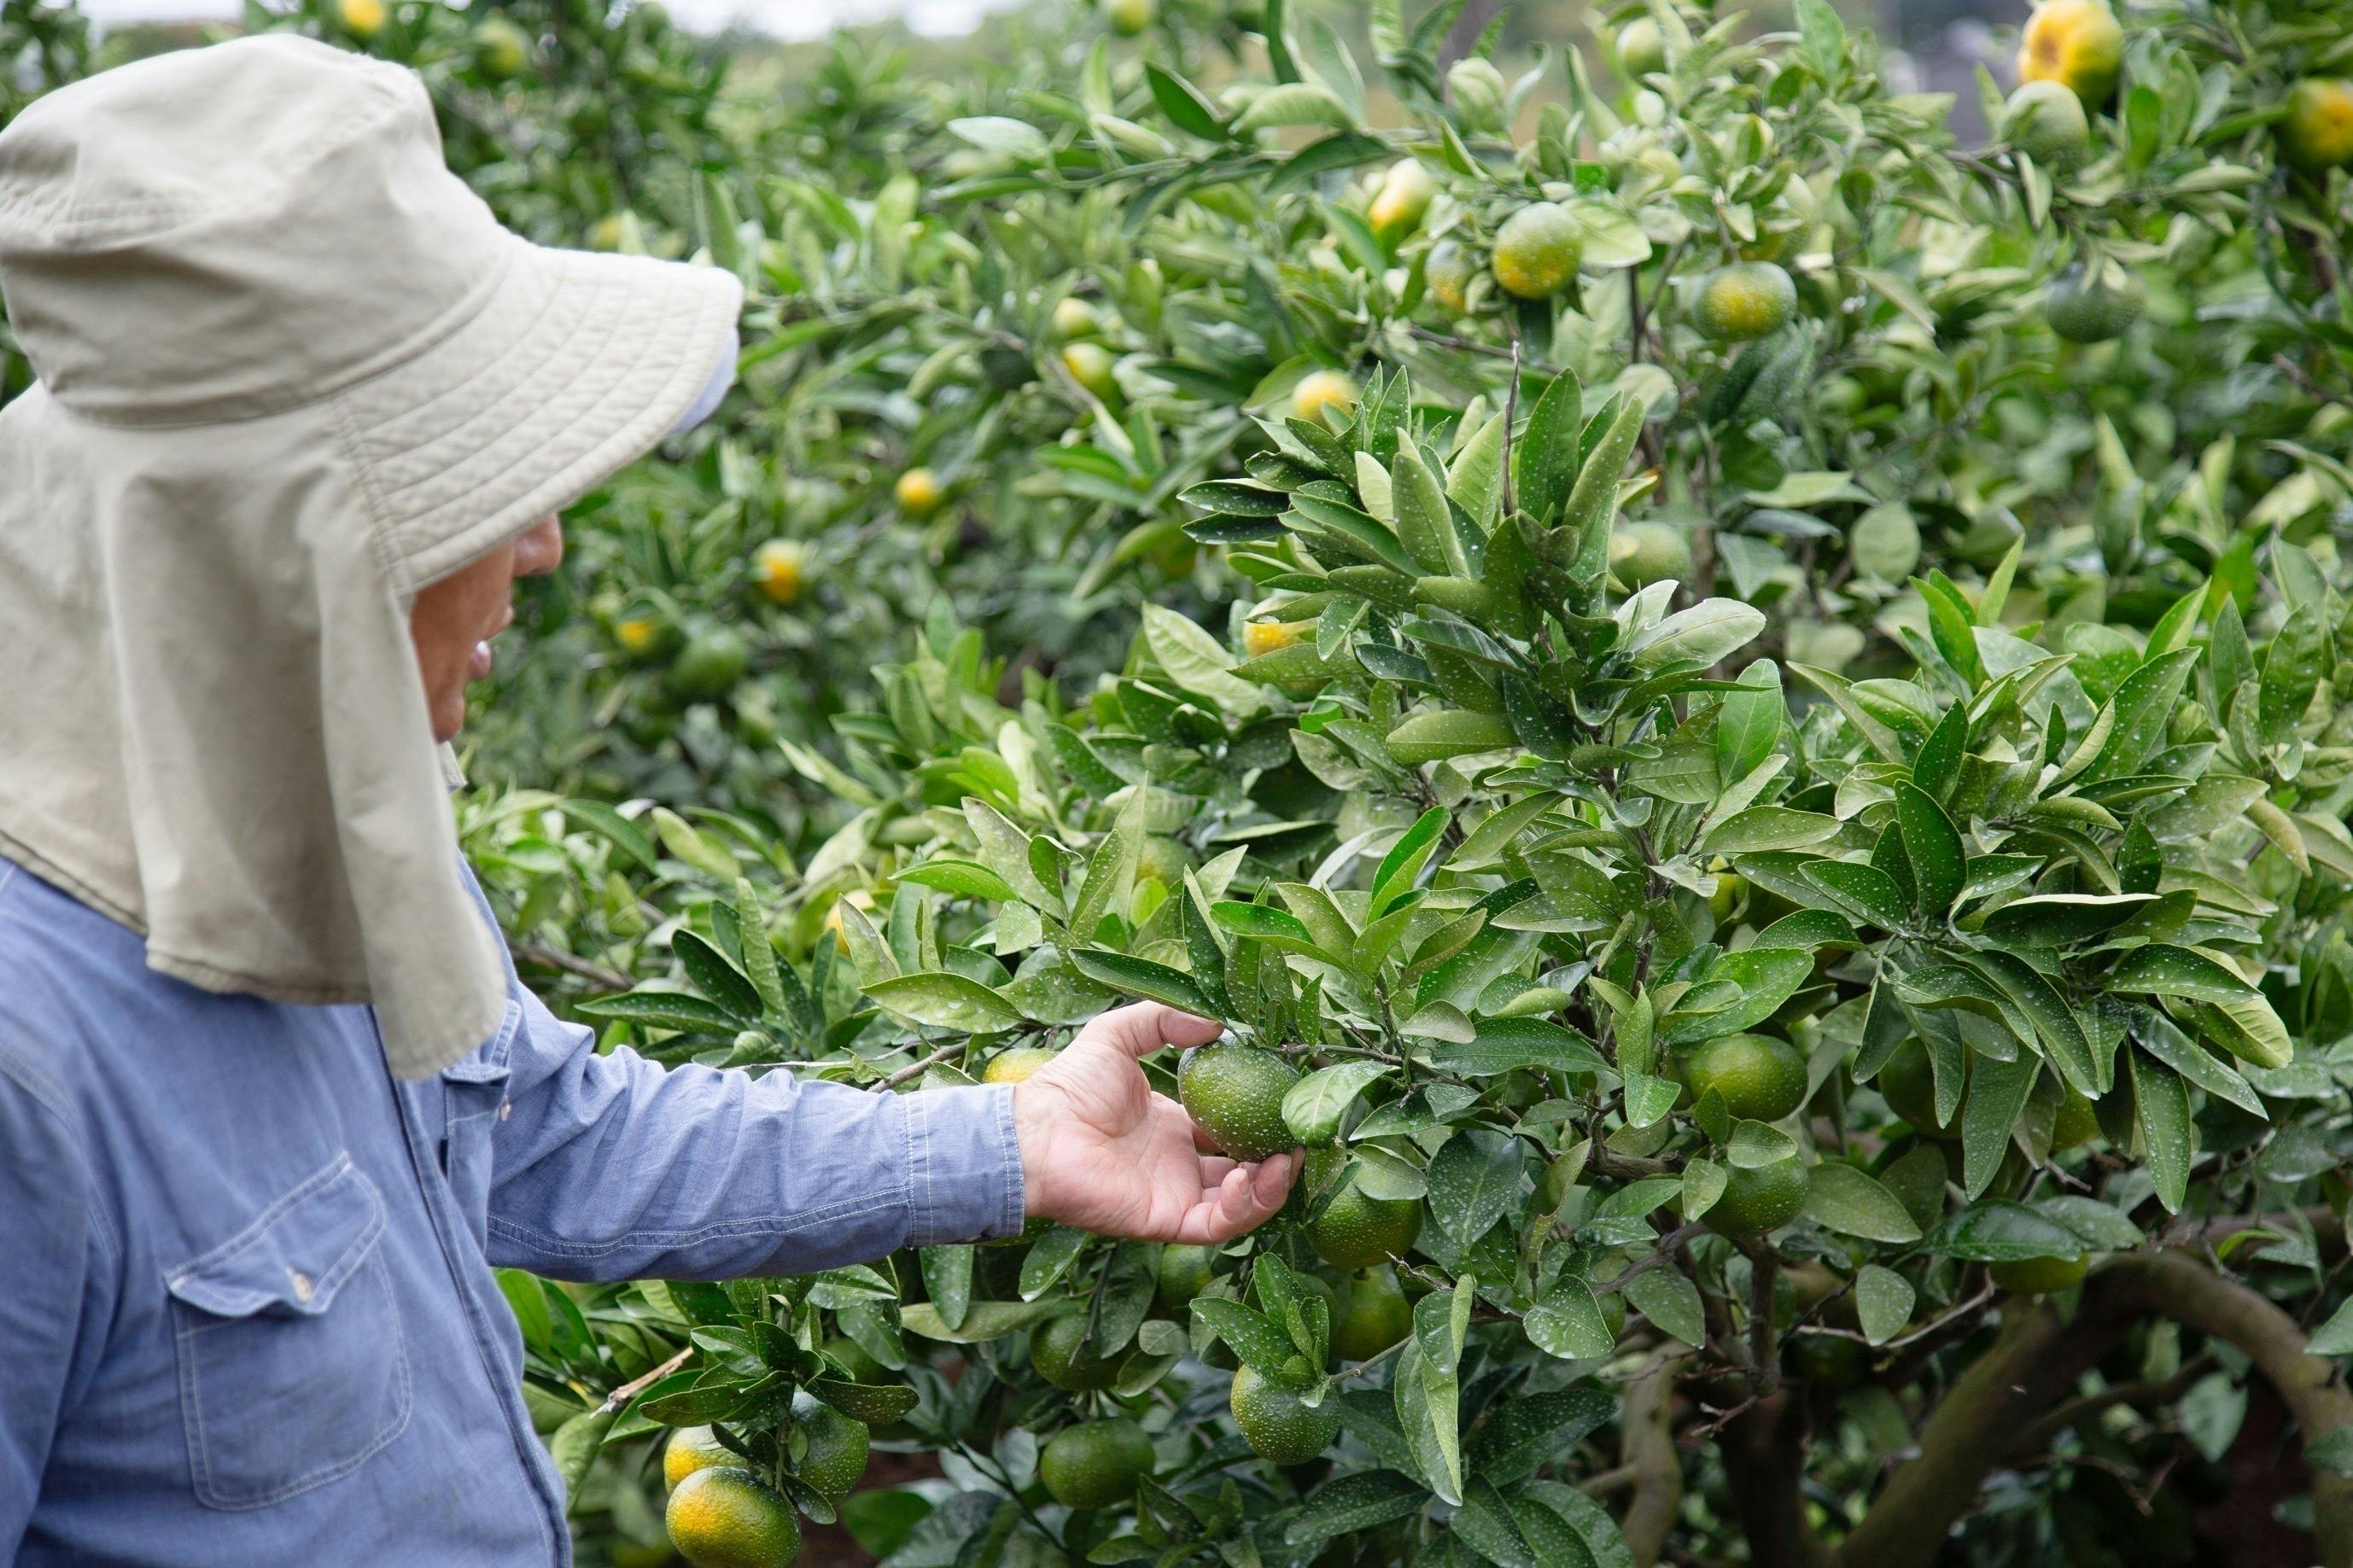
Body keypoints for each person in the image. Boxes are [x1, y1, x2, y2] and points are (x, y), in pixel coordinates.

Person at [0, 36, 1297, 1566]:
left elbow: (548, 1134)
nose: (542, 541)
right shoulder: (32, 1065)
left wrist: (1009, 1147)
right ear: (284, 568)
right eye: (476, 492)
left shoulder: (312, 817)